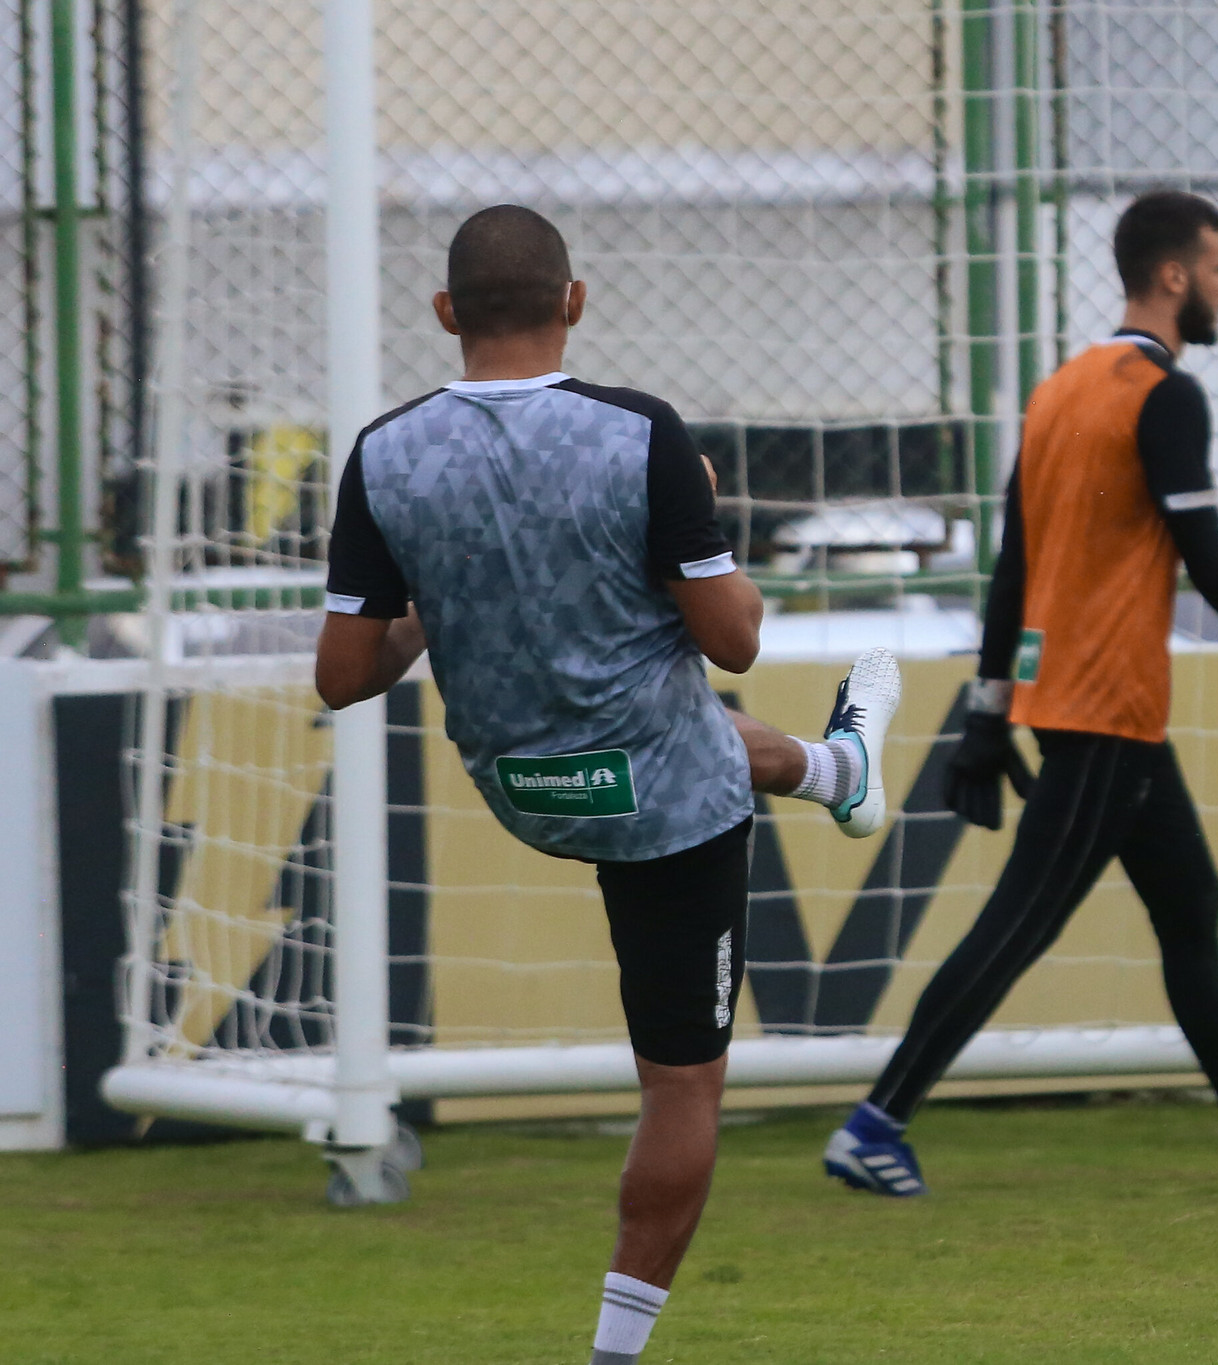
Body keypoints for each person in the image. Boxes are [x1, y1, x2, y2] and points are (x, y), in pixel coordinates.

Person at [314, 204, 900, 1365]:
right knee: (681, 1091)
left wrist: (446, 587)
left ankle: (837, 766)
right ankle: (614, 1355)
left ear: (444, 315)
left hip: (527, 785)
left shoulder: (384, 452)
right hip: (663, 801)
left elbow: (343, 677)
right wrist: (694, 509)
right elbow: (732, 638)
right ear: (573, 302)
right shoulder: (640, 436)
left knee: (695, 726)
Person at [820, 190, 1218, 1198]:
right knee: (1017, 925)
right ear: (1172, 276)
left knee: (1187, 902)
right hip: (1103, 709)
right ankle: (873, 1123)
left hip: (1074, 702)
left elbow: (1013, 566)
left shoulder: (1063, 387)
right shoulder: (1164, 395)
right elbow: (1203, 553)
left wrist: (989, 711)